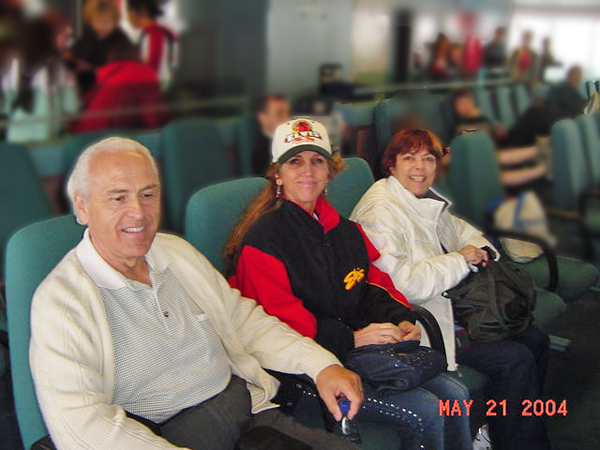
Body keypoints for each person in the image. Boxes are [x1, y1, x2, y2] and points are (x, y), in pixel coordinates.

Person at [29, 137, 363, 450]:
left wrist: (321, 365)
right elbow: (81, 424)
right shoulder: (62, 302)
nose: (139, 213)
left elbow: (243, 320)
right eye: (118, 198)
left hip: (249, 417)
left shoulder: (176, 254)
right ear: (82, 206)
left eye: (148, 194)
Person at [226, 119, 472, 450]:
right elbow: (274, 323)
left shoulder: (344, 230)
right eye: (295, 162)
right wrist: (350, 338)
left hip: (357, 353)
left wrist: (401, 317)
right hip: (302, 373)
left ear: (330, 171)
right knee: (427, 410)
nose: (308, 171)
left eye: (317, 161)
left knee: (456, 395)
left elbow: (373, 282)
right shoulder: (263, 240)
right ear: (277, 174)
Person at [350, 129, 551, 450]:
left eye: (428, 158)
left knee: (536, 339)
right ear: (391, 165)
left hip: (448, 306)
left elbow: (463, 233)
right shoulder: (380, 212)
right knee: (514, 359)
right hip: (418, 324)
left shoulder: (419, 197)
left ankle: (502, 430)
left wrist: (481, 252)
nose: (420, 167)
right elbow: (404, 287)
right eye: (409, 158)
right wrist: (460, 260)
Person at [450, 88, 547, 189]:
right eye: (461, 104)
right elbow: (469, 143)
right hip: (479, 159)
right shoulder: (459, 126)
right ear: (455, 108)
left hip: (494, 150)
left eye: (467, 102)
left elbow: (491, 135)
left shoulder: (482, 118)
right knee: (499, 162)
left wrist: (498, 133)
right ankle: (543, 164)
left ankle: (542, 150)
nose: (466, 106)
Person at [69, 40, 169, 133]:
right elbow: (153, 118)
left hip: (86, 133)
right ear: (137, 55)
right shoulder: (142, 73)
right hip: (106, 138)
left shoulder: (110, 76)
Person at [65, 0, 131, 96]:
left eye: (106, 22)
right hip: (84, 90)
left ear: (115, 21)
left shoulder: (121, 40)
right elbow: (73, 54)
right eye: (97, 21)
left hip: (110, 91)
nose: (101, 26)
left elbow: (126, 69)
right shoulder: (88, 35)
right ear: (90, 21)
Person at [126, 0, 177, 84]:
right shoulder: (150, 34)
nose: (128, 16)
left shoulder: (154, 34)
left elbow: (152, 69)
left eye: (129, 11)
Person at [251, 94, 291, 175]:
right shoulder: (262, 151)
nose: (286, 118)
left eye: (287, 113)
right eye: (279, 113)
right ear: (263, 118)